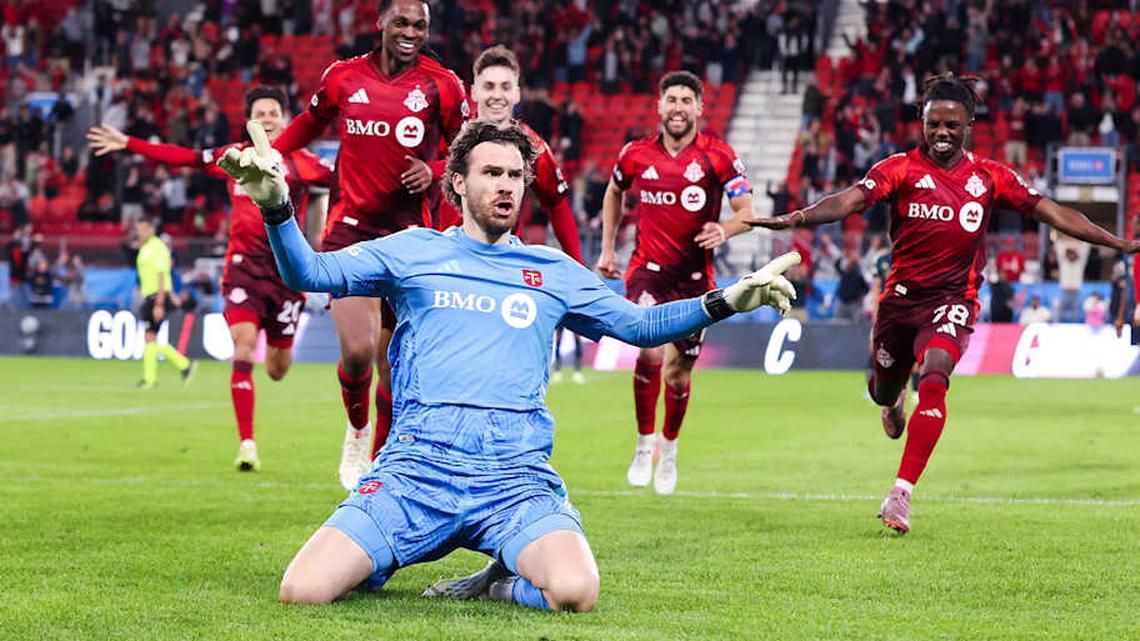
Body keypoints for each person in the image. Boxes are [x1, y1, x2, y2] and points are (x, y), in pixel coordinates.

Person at [217, 119, 799, 611]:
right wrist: (277, 205)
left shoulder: (551, 270)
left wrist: (728, 300)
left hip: (513, 477)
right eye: (491, 174)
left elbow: (637, 326)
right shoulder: (414, 249)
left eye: (516, 177)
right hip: (417, 472)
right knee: (302, 591)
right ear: (457, 183)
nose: (507, 187)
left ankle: (498, 584)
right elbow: (309, 274)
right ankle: (383, 554)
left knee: (577, 591)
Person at [749, 73, 1140, 534]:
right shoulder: (899, 169)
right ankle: (891, 401)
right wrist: (797, 218)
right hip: (899, 304)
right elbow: (850, 200)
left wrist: (1120, 244)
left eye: (952, 125)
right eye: (934, 124)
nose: (941, 133)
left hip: (953, 301)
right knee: (884, 390)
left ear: (969, 125)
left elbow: (1054, 212)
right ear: (922, 122)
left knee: (935, 379)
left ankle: (901, 494)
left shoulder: (990, 178)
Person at [271, 0, 468, 489]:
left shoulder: (442, 85)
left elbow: (470, 150)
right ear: (380, 22)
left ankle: (381, 461)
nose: (410, 32)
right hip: (349, 230)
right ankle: (357, 432)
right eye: (401, 22)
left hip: (409, 237)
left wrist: (436, 170)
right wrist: (269, 155)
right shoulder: (342, 78)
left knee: (392, 365)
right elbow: (307, 125)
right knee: (357, 352)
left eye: (420, 25)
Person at [87, 86, 332, 472]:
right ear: (248, 121)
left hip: (286, 276)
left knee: (278, 370)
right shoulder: (231, 158)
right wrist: (129, 143)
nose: (268, 120)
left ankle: (269, 370)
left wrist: (322, 213)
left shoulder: (303, 163)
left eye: (274, 113)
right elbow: (182, 157)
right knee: (243, 348)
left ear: (286, 119)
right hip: (243, 271)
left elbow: (347, 183)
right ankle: (247, 443)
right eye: (260, 114)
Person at [597, 70, 757, 495]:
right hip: (646, 270)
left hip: (694, 279)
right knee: (649, 353)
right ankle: (642, 444)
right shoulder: (635, 154)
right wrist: (607, 248)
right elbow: (614, 193)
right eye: (672, 99)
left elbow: (747, 209)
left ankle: (669, 449)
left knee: (679, 373)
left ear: (700, 108)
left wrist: (725, 229)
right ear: (659, 106)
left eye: (687, 100)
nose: (679, 108)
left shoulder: (718, 156)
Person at [461, 45, 586, 385]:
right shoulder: (450, 134)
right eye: (488, 87)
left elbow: (558, 204)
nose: (497, 96)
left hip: (502, 272)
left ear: (517, 93)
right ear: (473, 91)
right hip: (445, 269)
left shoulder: (532, 147)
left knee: (500, 377)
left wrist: (576, 267)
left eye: (505, 87)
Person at [133, 218, 197, 390]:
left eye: (142, 229)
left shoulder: (158, 248)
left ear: (151, 230)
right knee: (150, 337)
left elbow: (162, 275)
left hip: (156, 297)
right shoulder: (145, 247)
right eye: (137, 230)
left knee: (150, 337)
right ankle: (152, 377)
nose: (139, 233)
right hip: (150, 295)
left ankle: (181, 366)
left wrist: (160, 302)